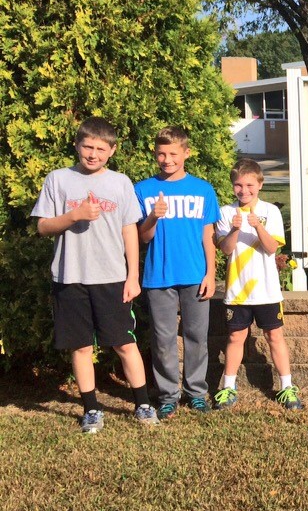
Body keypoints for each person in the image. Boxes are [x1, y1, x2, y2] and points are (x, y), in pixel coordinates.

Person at [31, 117, 159, 432]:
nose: (93, 154)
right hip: (69, 277)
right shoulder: (58, 180)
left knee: (124, 343)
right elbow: (42, 226)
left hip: (112, 278)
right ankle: (91, 410)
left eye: (101, 149)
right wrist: (74, 215)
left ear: (111, 151)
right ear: (77, 145)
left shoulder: (120, 183)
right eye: (88, 146)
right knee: (81, 347)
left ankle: (142, 404)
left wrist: (133, 275)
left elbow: (130, 229)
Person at [135, 126, 220, 420]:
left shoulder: (203, 189)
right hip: (159, 277)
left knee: (197, 336)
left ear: (186, 153)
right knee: (163, 339)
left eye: (172, 153)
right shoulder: (143, 189)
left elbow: (208, 236)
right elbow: (143, 237)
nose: (166, 159)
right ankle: (168, 395)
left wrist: (210, 274)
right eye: (161, 153)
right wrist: (153, 217)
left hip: (195, 275)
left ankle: (196, 392)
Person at [213, 158, 303, 411]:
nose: (244, 191)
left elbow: (272, 247)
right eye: (239, 185)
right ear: (233, 186)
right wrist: (233, 230)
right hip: (237, 290)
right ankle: (228, 387)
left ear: (260, 184)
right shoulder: (225, 212)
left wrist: (258, 227)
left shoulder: (270, 211)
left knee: (274, 335)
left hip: (266, 290)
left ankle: (287, 387)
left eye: (250, 185)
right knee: (235, 336)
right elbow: (226, 250)